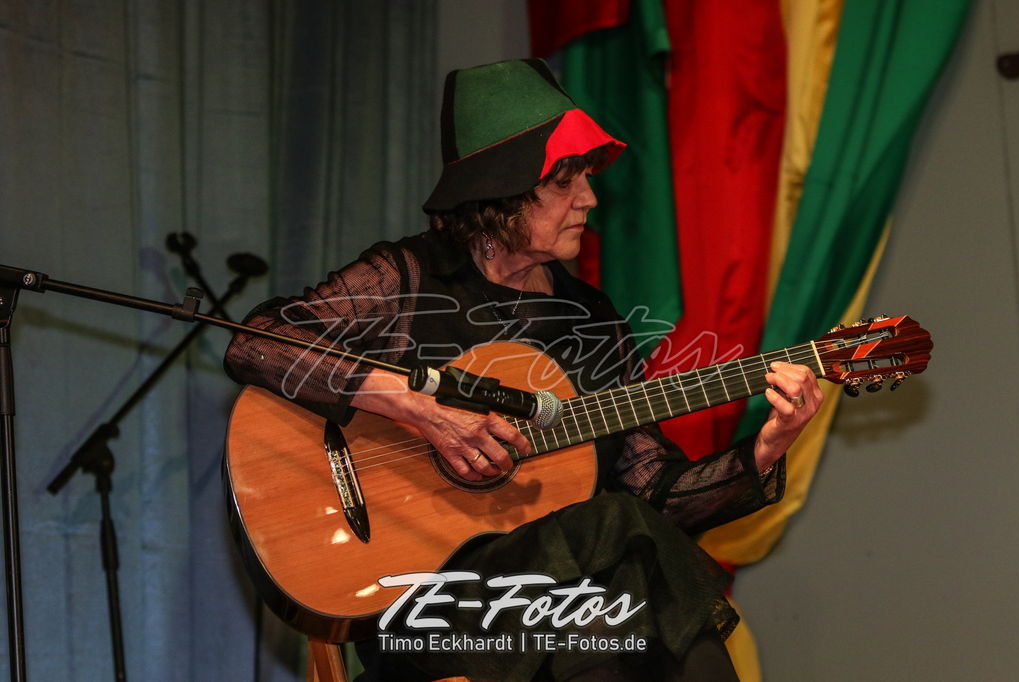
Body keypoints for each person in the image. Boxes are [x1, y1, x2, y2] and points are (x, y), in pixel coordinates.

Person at [224, 59, 822, 681]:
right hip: (426, 605)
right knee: (612, 556)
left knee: (617, 596)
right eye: (565, 181)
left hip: (559, 610)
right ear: (504, 193)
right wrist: (416, 408)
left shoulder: (589, 317)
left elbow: (654, 495)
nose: (589, 198)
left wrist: (767, 448)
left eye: (586, 178)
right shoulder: (410, 278)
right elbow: (255, 343)